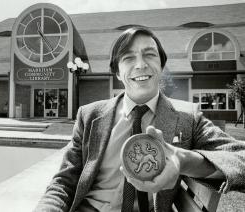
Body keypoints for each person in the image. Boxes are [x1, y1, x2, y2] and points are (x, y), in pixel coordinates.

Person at [35, 27, 245, 212]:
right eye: (128, 58)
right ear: (117, 72)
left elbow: (241, 158)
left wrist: (183, 160)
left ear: (161, 66)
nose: (140, 65)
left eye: (149, 55)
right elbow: (64, 182)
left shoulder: (187, 118)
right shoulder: (89, 116)